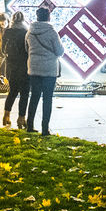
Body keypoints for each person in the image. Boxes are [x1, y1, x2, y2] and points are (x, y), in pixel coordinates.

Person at [25, 7, 63, 136]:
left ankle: (29, 125)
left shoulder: (30, 32)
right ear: (48, 17)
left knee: (34, 97)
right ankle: (44, 128)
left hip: (34, 69)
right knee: (47, 99)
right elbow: (60, 51)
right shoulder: (52, 32)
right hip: (48, 70)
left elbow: (26, 48)